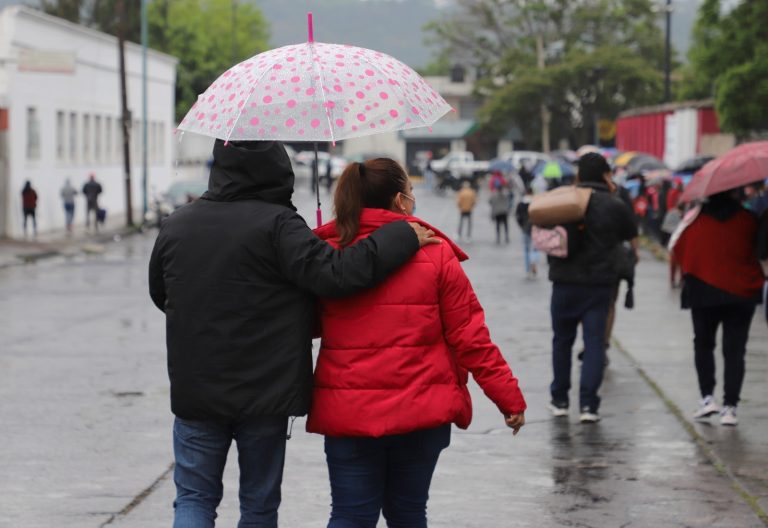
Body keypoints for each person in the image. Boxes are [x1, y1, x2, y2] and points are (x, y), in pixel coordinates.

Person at [148, 140, 438, 528]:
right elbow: (337, 275)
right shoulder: (280, 225)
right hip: (265, 393)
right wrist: (401, 236)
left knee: (194, 499)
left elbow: (161, 292)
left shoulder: (178, 223)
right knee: (259, 505)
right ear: (276, 170)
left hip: (196, 388)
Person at [307, 158, 526, 527]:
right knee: (408, 514)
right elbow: (470, 337)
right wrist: (508, 397)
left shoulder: (327, 255)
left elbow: (305, 325)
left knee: (349, 515)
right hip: (422, 409)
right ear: (399, 201)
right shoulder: (436, 252)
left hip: (349, 410)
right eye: (409, 192)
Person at [547, 153, 637, 423]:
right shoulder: (614, 204)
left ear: (578, 175)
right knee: (594, 343)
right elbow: (630, 235)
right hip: (599, 285)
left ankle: (560, 400)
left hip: (563, 283)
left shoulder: (564, 200)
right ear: (606, 175)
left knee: (562, 342)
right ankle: (588, 406)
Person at [672, 190, 763, 426]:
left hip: (703, 291)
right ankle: (730, 407)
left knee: (703, 344)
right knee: (735, 351)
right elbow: (760, 250)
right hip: (741, 292)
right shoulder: (749, 218)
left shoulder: (693, 219)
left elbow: (679, 249)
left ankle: (707, 398)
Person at [515, 185, 540, 279]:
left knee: (526, 250)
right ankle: (533, 262)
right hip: (535, 228)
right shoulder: (536, 202)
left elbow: (517, 217)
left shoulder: (521, 204)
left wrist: (521, 226)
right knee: (535, 248)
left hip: (525, 228)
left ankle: (527, 270)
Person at [489, 180, 510, 244]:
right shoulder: (505, 194)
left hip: (497, 212)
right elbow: (509, 201)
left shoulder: (494, 195)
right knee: (505, 225)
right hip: (504, 212)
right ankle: (506, 237)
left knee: (498, 225)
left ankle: (498, 237)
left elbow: (490, 202)